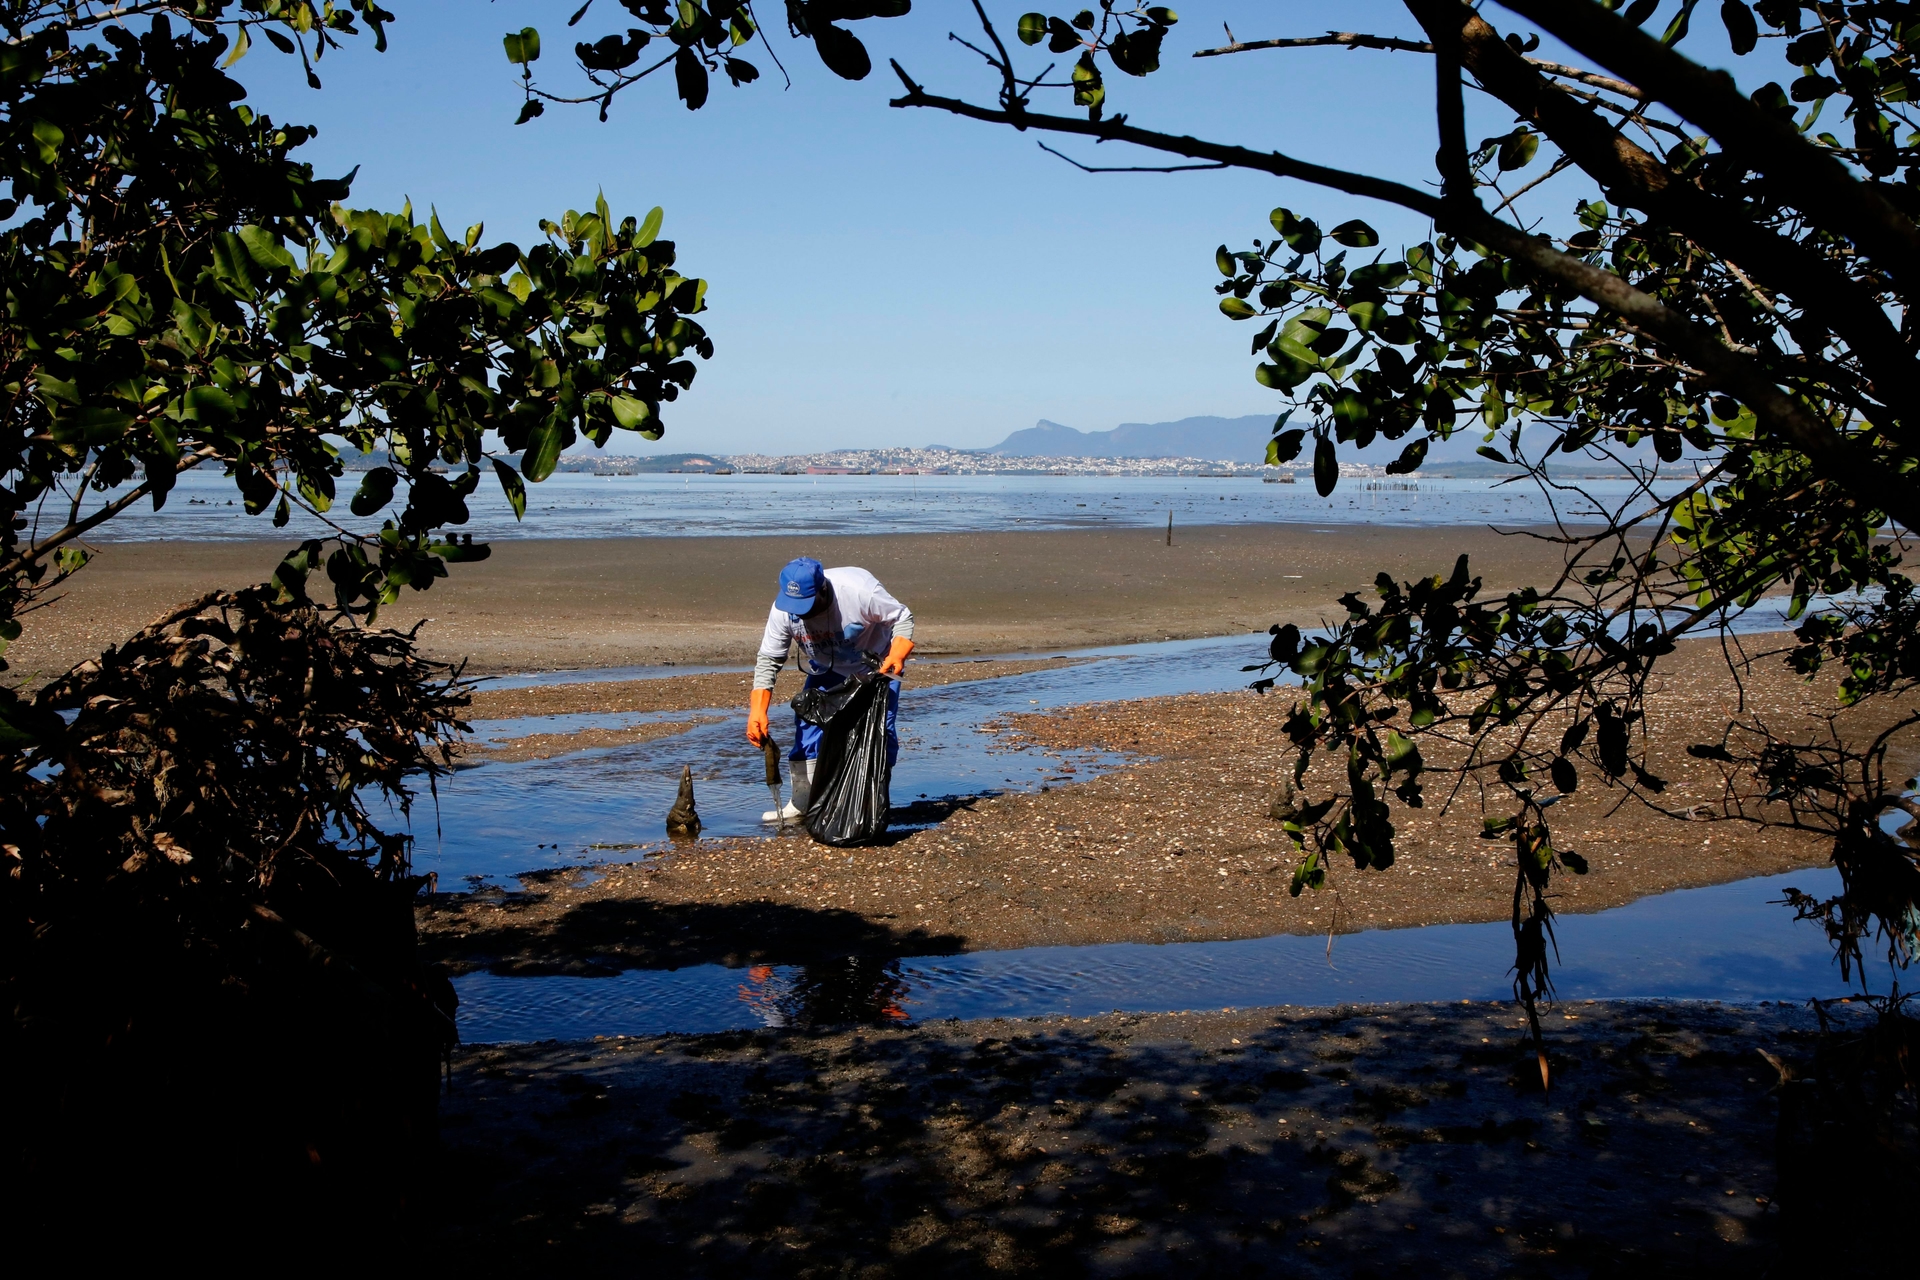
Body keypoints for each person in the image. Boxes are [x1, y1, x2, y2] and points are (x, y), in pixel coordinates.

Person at [746, 557, 914, 822]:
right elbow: (768, 661)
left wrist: (898, 655)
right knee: (806, 724)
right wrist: (757, 712)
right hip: (827, 667)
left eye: (806, 605)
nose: (800, 613)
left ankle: (874, 797)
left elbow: (902, 618)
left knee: (880, 730)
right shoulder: (783, 609)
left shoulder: (859, 591)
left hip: (878, 664)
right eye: (795, 607)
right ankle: (803, 801)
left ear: (823, 589)